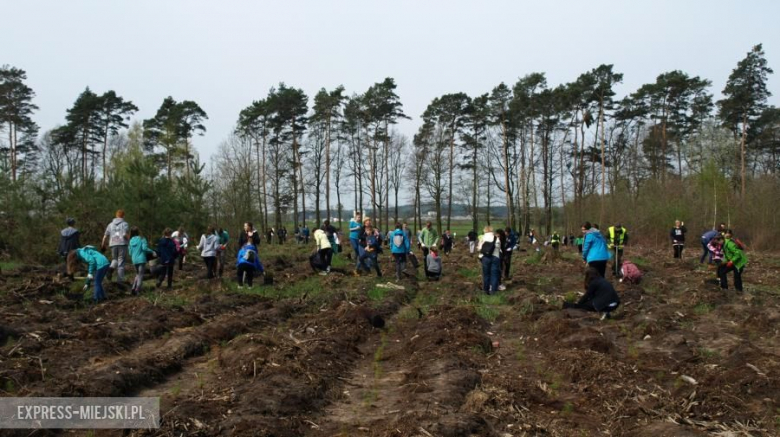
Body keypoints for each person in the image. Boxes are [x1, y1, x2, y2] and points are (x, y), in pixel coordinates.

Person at [101, 210, 130, 282]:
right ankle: (120, 281)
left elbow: (105, 236)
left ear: (116, 215)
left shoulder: (110, 225)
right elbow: (124, 234)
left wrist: (103, 245)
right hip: (122, 244)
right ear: (123, 216)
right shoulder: (125, 224)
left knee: (114, 260)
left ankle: (110, 270)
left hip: (113, 244)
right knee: (121, 263)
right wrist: (130, 240)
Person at [128, 226, 156, 295]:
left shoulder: (130, 240)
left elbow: (130, 253)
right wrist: (152, 251)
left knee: (137, 274)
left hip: (134, 260)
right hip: (141, 259)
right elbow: (144, 248)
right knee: (140, 275)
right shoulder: (142, 239)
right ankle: (137, 290)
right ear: (138, 232)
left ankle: (133, 288)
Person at [478, 226, 502, 295]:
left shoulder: (482, 238)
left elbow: (479, 248)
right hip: (495, 257)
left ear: (485, 231)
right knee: (494, 274)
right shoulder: (496, 238)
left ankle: (486, 290)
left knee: (486, 274)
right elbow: (499, 248)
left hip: (485, 258)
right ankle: (493, 291)